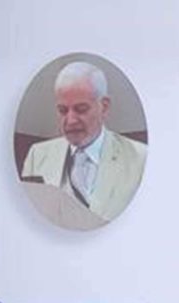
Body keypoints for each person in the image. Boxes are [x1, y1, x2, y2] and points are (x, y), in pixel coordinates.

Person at [20, 60, 147, 227]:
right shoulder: (37, 155)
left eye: (81, 109)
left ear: (104, 107)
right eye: (63, 110)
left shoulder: (140, 158)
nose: (71, 120)